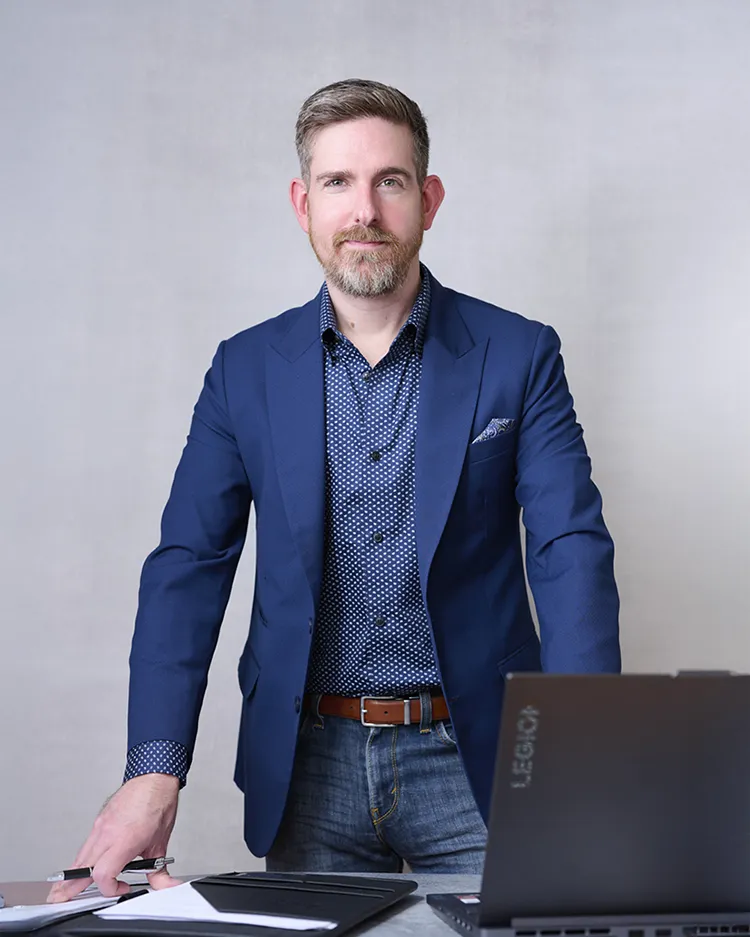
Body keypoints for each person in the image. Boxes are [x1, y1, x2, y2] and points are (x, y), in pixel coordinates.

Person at [50, 78, 620, 900]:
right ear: (302, 202)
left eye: (389, 181)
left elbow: (569, 547)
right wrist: (153, 768)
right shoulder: (243, 370)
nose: (364, 211)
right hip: (309, 765)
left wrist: (584, 748)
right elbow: (188, 565)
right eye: (337, 183)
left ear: (428, 198)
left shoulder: (520, 354)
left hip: (480, 758)